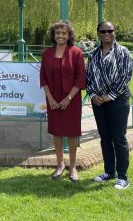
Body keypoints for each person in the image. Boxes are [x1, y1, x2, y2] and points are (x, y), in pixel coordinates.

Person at [86, 21, 133, 190]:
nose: (106, 34)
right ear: (98, 33)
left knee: (118, 138)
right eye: (103, 31)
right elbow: (88, 78)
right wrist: (93, 95)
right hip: (98, 101)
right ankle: (109, 171)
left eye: (110, 31)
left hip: (117, 100)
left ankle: (122, 176)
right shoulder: (93, 54)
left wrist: (109, 96)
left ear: (115, 32)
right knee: (105, 138)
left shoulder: (123, 52)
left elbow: (126, 76)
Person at [40, 20, 86, 181]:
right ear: (53, 35)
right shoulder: (47, 53)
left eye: (64, 33)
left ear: (69, 35)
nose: (60, 35)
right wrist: (50, 98)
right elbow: (43, 78)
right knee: (56, 132)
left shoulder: (76, 52)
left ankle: (72, 166)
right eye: (58, 33)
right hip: (53, 98)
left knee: (72, 133)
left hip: (71, 99)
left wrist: (68, 98)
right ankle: (60, 164)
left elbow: (81, 79)